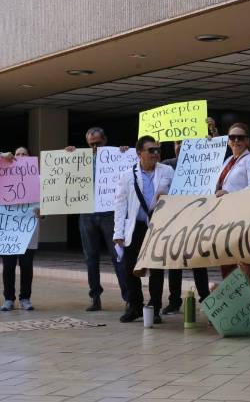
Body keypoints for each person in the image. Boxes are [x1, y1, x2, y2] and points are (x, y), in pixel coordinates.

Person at [113, 136, 174, 323]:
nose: (155, 154)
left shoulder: (167, 171)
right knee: (130, 268)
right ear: (140, 153)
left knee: (156, 269)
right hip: (136, 227)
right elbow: (120, 205)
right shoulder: (127, 175)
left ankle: (155, 308)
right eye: (151, 150)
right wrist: (118, 232)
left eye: (157, 150)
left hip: (158, 227)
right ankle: (135, 306)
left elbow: (178, 195)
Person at [66, 127, 129, 311]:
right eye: (91, 144)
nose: (94, 147)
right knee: (90, 257)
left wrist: (124, 154)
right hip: (87, 213)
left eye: (98, 143)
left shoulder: (116, 155)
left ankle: (128, 297)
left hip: (110, 213)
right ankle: (95, 297)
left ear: (105, 141)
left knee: (118, 256)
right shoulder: (80, 158)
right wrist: (68, 155)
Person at [161, 140, 210, 314]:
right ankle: (174, 301)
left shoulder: (203, 164)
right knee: (174, 262)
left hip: (196, 219)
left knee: (198, 262)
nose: (180, 146)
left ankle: (206, 299)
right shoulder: (167, 165)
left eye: (185, 142)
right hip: (174, 221)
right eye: (177, 142)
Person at [216, 123, 250, 280]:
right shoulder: (228, 160)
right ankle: (233, 304)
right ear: (228, 141)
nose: (236, 140)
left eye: (240, 137)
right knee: (227, 264)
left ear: (247, 141)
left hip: (242, 220)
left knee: (242, 266)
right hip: (225, 219)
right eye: (232, 137)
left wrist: (229, 194)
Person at [1, 146, 39, 311]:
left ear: (29, 157)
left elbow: (47, 200)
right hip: (8, 230)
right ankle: (8, 299)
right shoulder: (3, 175)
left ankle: (25, 298)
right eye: (17, 154)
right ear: (12, 156)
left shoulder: (38, 177)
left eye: (24, 154)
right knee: (8, 266)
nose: (21, 156)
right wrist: (2, 156)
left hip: (28, 230)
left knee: (26, 266)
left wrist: (42, 212)